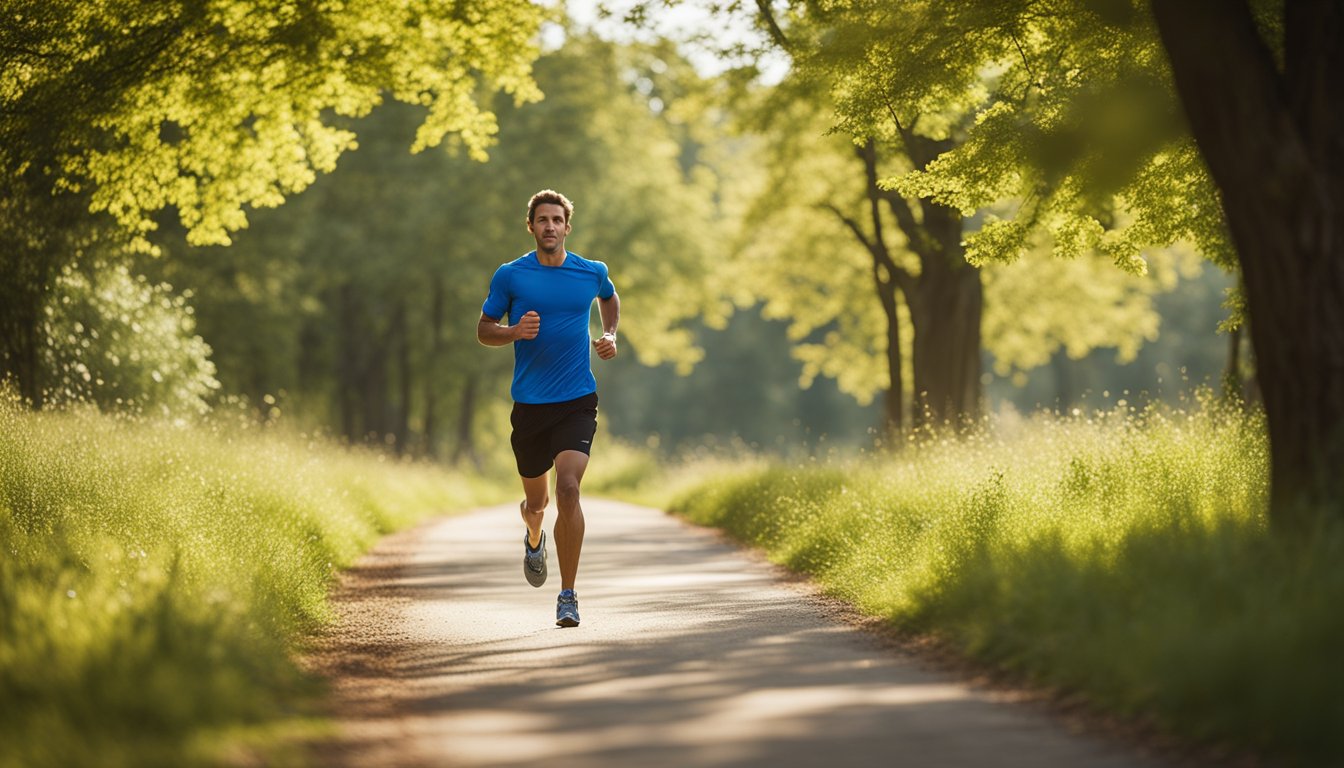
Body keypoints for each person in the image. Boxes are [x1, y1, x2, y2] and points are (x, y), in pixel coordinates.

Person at [477, 189, 619, 628]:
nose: (551, 227)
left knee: (569, 490)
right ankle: (533, 537)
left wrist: (610, 333)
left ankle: (568, 595)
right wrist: (515, 331)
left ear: (567, 226)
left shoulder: (590, 271)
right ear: (532, 226)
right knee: (536, 504)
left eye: (558, 219)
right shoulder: (511, 275)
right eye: (543, 220)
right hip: (530, 406)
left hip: (577, 399)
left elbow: (609, 298)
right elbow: (484, 330)